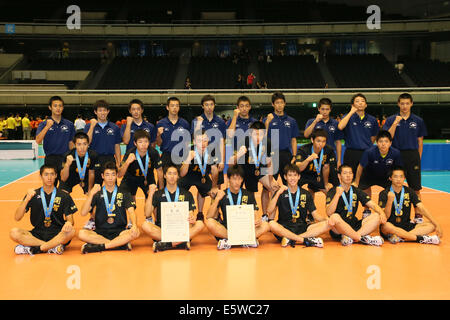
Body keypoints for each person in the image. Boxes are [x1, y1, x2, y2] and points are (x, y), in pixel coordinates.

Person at [10, 164, 77, 255]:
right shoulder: (33, 194)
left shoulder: (64, 195)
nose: (49, 177)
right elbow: (17, 217)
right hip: (37, 234)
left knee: (72, 231)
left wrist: (69, 223)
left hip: (57, 233)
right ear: (41, 176)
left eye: (52, 174)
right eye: (46, 174)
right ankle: (51, 247)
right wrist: (26, 200)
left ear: (56, 176)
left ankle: (37, 248)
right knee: (14, 232)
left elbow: (70, 220)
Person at [383, 93, 427, 223]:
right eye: (402, 103)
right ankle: (390, 215)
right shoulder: (391, 119)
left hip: (412, 155)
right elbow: (387, 137)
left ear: (411, 104)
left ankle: (418, 216)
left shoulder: (418, 120)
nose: (405, 106)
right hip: (395, 155)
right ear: (398, 104)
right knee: (392, 186)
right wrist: (395, 123)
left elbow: (420, 141)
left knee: (416, 188)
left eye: (407, 103)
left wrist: (418, 158)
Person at [78, 162, 140, 254]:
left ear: (116, 176)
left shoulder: (124, 192)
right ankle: (119, 244)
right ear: (102, 176)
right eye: (107, 175)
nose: (110, 178)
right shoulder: (97, 193)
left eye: (113, 174)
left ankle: (101, 247)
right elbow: (83, 212)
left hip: (120, 231)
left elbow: (131, 211)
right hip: (100, 232)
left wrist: (134, 225)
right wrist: (91, 194)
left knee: (136, 232)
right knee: (81, 233)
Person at [267, 164, 333, 248]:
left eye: (295, 175)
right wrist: (278, 193)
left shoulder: (306, 193)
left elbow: (315, 215)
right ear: (285, 177)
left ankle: (291, 239)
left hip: (302, 228)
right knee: (272, 224)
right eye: (290, 175)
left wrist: (327, 220)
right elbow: (269, 211)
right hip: (284, 228)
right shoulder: (281, 192)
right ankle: (304, 240)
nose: (292, 178)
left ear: (299, 177)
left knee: (328, 224)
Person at [205, 165, 270, 250]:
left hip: (244, 228)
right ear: (228, 179)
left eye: (239, 179)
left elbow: (255, 213)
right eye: (234, 179)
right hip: (227, 229)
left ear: (242, 180)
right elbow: (209, 216)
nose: (237, 182)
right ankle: (245, 240)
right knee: (210, 222)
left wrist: (258, 220)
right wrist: (217, 199)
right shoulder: (222, 194)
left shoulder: (248, 194)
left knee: (266, 225)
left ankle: (229, 241)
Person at [142, 165, 204, 252]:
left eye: (175, 174)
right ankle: (180, 242)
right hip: (163, 230)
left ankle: (166, 244)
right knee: (145, 225)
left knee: (200, 224)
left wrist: (192, 218)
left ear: (178, 176)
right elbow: (147, 213)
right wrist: (151, 194)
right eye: (169, 173)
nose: (172, 176)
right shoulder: (158, 194)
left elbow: (190, 213)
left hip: (181, 228)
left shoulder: (187, 194)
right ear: (164, 176)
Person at [228, 121, 279, 221]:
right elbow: (230, 163)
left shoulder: (267, 142)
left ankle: (268, 218)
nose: (258, 137)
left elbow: (269, 163)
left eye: (261, 134)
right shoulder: (243, 141)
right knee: (246, 194)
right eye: (255, 134)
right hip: (243, 171)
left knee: (275, 189)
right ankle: (239, 218)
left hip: (260, 169)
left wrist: (271, 180)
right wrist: (239, 154)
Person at [378, 166, 442, 244]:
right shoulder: (384, 193)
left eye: (401, 176)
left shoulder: (409, 191)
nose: (398, 179)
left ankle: (401, 237)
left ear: (404, 178)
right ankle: (419, 238)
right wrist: (390, 201)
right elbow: (385, 217)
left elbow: (421, 207)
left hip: (406, 226)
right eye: (395, 176)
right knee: (386, 226)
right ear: (390, 178)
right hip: (391, 228)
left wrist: (437, 223)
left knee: (432, 225)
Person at [325, 164, 386, 246]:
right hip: (338, 228)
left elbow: (373, 205)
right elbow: (329, 212)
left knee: (376, 216)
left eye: (350, 173)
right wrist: (337, 195)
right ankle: (360, 238)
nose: (348, 175)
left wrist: (382, 213)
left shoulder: (356, 191)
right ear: (339, 176)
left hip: (354, 224)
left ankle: (351, 237)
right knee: (334, 217)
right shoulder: (333, 191)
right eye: (345, 173)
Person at [354, 130, 403, 218]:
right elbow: (360, 167)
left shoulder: (396, 153)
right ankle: (366, 210)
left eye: (386, 141)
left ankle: (389, 211)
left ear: (390, 143)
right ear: (376, 142)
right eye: (381, 141)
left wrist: (397, 181)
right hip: (369, 175)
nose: (383, 144)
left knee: (393, 190)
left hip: (386, 176)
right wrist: (356, 182)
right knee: (364, 189)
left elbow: (398, 169)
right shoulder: (369, 152)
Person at [36, 96, 76, 186]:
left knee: (65, 188)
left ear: (63, 108)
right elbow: (38, 140)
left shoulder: (69, 124)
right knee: (50, 188)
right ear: (50, 107)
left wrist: (73, 157)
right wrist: (47, 127)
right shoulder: (44, 124)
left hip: (64, 159)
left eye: (60, 106)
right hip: (50, 159)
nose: (58, 108)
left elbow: (71, 143)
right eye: (55, 106)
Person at [179, 130, 219, 220]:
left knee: (216, 195)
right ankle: (180, 217)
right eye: (200, 141)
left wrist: (214, 187)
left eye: (205, 140)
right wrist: (188, 159)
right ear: (194, 142)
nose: (203, 143)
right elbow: (181, 174)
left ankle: (211, 216)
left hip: (202, 177)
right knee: (176, 193)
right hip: (187, 176)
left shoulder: (211, 151)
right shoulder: (187, 150)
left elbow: (215, 171)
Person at [304, 98, 343, 186]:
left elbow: (338, 142)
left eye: (327, 109)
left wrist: (339, 160)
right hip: (315, 156)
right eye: (322, 109)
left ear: (330, 109)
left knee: (333, 185)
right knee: (312, 186)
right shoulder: (311, 121)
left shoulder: (335, 123)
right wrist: (315, 121)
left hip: (330, 156)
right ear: (318, 109)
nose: (324, 112)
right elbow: (306, 135)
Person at [338, 93, 379, 177]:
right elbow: (340, 126)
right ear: (353, 105)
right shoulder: (347, 117)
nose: (360, 103)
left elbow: (374, 136)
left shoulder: (372, 119)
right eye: (357, 101)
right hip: (351, 153)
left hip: (366, 153)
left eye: (362, 101)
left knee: (366, 179)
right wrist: (351, 112)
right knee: (349, 178)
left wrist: (366, 145)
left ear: (366, 105)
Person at [264, 91, 300, 186]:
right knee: (268, 185)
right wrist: (267, 122)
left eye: (281, 102)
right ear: (273, 104)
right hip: (272, 155)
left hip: (286, 155)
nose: (279, 105)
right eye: (277, 103)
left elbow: (293, 140)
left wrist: (294, 155)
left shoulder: (291, 121)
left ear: (285, 103)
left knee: (290, 183)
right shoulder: (267, 119)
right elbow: (262, 138)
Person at [191, 95, 227, 188]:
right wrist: (198, 124)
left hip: (216, 154)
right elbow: (194, 139)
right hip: (201, 154)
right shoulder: (196, 120)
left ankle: (215, 202)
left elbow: (222, 142)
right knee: (201, 185)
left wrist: (222, 161)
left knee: (217, 184)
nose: (209, 107)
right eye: (206, 105)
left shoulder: (220, 122)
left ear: (214, 105)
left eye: (211, 104)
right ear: (202, 106)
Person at [119, 129, 164, 203]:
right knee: (123, 198)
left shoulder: (153, 152)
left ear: (149, 142)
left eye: (146, 141)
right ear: (135, 143)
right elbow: (120, 175)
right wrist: (127, 162)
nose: (143, 144)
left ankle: (148, 214)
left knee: (153, 199)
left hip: (148, 178)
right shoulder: (130, 153)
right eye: (140, 142)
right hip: (130, 178)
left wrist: (161, 190)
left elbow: (160, 171)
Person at [84, 100, 122, 185]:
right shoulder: (89, 126)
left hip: (110, 159)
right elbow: (87, 142)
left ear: (108, 111)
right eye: (100, 110)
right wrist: (92, 126)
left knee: (112, 186)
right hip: (95, 159)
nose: (102, 113)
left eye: (104, 110)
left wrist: (119, 162)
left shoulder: (114, 127)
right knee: (95, 187)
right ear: (95, 112)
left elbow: (117, 146)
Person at [295, 129, 335, 202]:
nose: (321, 144)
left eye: (324, 141)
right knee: (303, 193)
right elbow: (299, 168)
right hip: (304, 174)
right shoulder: (303, 150)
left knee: (329, 192)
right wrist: (308, 159)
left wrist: (326, 184)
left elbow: (326, 168)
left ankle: (333, 211)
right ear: (312, 140)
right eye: (318, 141)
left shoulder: (329, 150)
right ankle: (308, 211)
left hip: (318, 174)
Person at [155, 97, 191, 168]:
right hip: (166, 156)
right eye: (172, 106)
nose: (175, 108)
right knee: (165, 178)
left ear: (179, 108)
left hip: (180, 156)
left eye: (177, 106)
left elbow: (187, 143)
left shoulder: (184, 123)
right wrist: (158, 135)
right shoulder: (161, 123)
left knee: (180, 178)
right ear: (167, 107)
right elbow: (159, 144)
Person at [60, 132, 99, 196]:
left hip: (87, 177)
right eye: (79, 144)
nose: (82, 147)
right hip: (71, 177)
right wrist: (67, 165)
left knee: (94, 194)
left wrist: (89, 190)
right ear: (75, 145)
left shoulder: (93, 155)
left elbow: (91, 173)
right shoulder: (68, 155)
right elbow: (63, 178)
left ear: (88, 144)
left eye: (85, 144)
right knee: (62, 195)